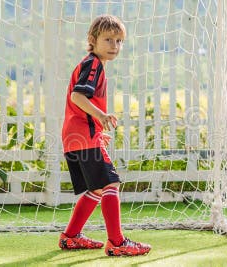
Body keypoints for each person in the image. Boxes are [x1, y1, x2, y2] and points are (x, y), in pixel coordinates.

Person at [58, 14, 151, 257]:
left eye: (119, 41)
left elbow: (79, 103)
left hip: (77, 135)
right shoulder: (93, 65)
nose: (114, 46)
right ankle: (118, 242)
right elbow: (77, 97)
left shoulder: (92, 64)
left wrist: (96, 130)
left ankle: (71, 237)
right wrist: (100, 117)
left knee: (98, 189)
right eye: (108, 39)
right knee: (110, 184)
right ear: (92, 40)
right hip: (82, 134)